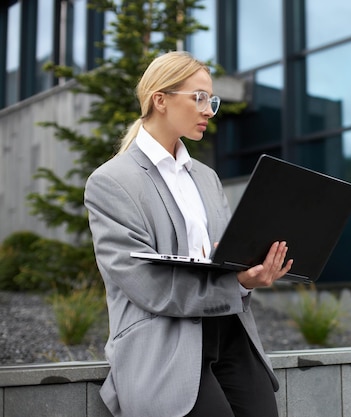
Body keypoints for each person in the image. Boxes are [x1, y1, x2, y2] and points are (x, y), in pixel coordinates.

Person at [84, 51, 293, 417]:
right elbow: (148, 285)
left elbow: (225, 257)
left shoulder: (206, 178)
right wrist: (238, 283)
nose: (209, 110)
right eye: (199, 98)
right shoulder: (111, 182)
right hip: (163, 345)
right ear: (160, 100)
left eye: (211, 100)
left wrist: (250, 267)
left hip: (230, 334)